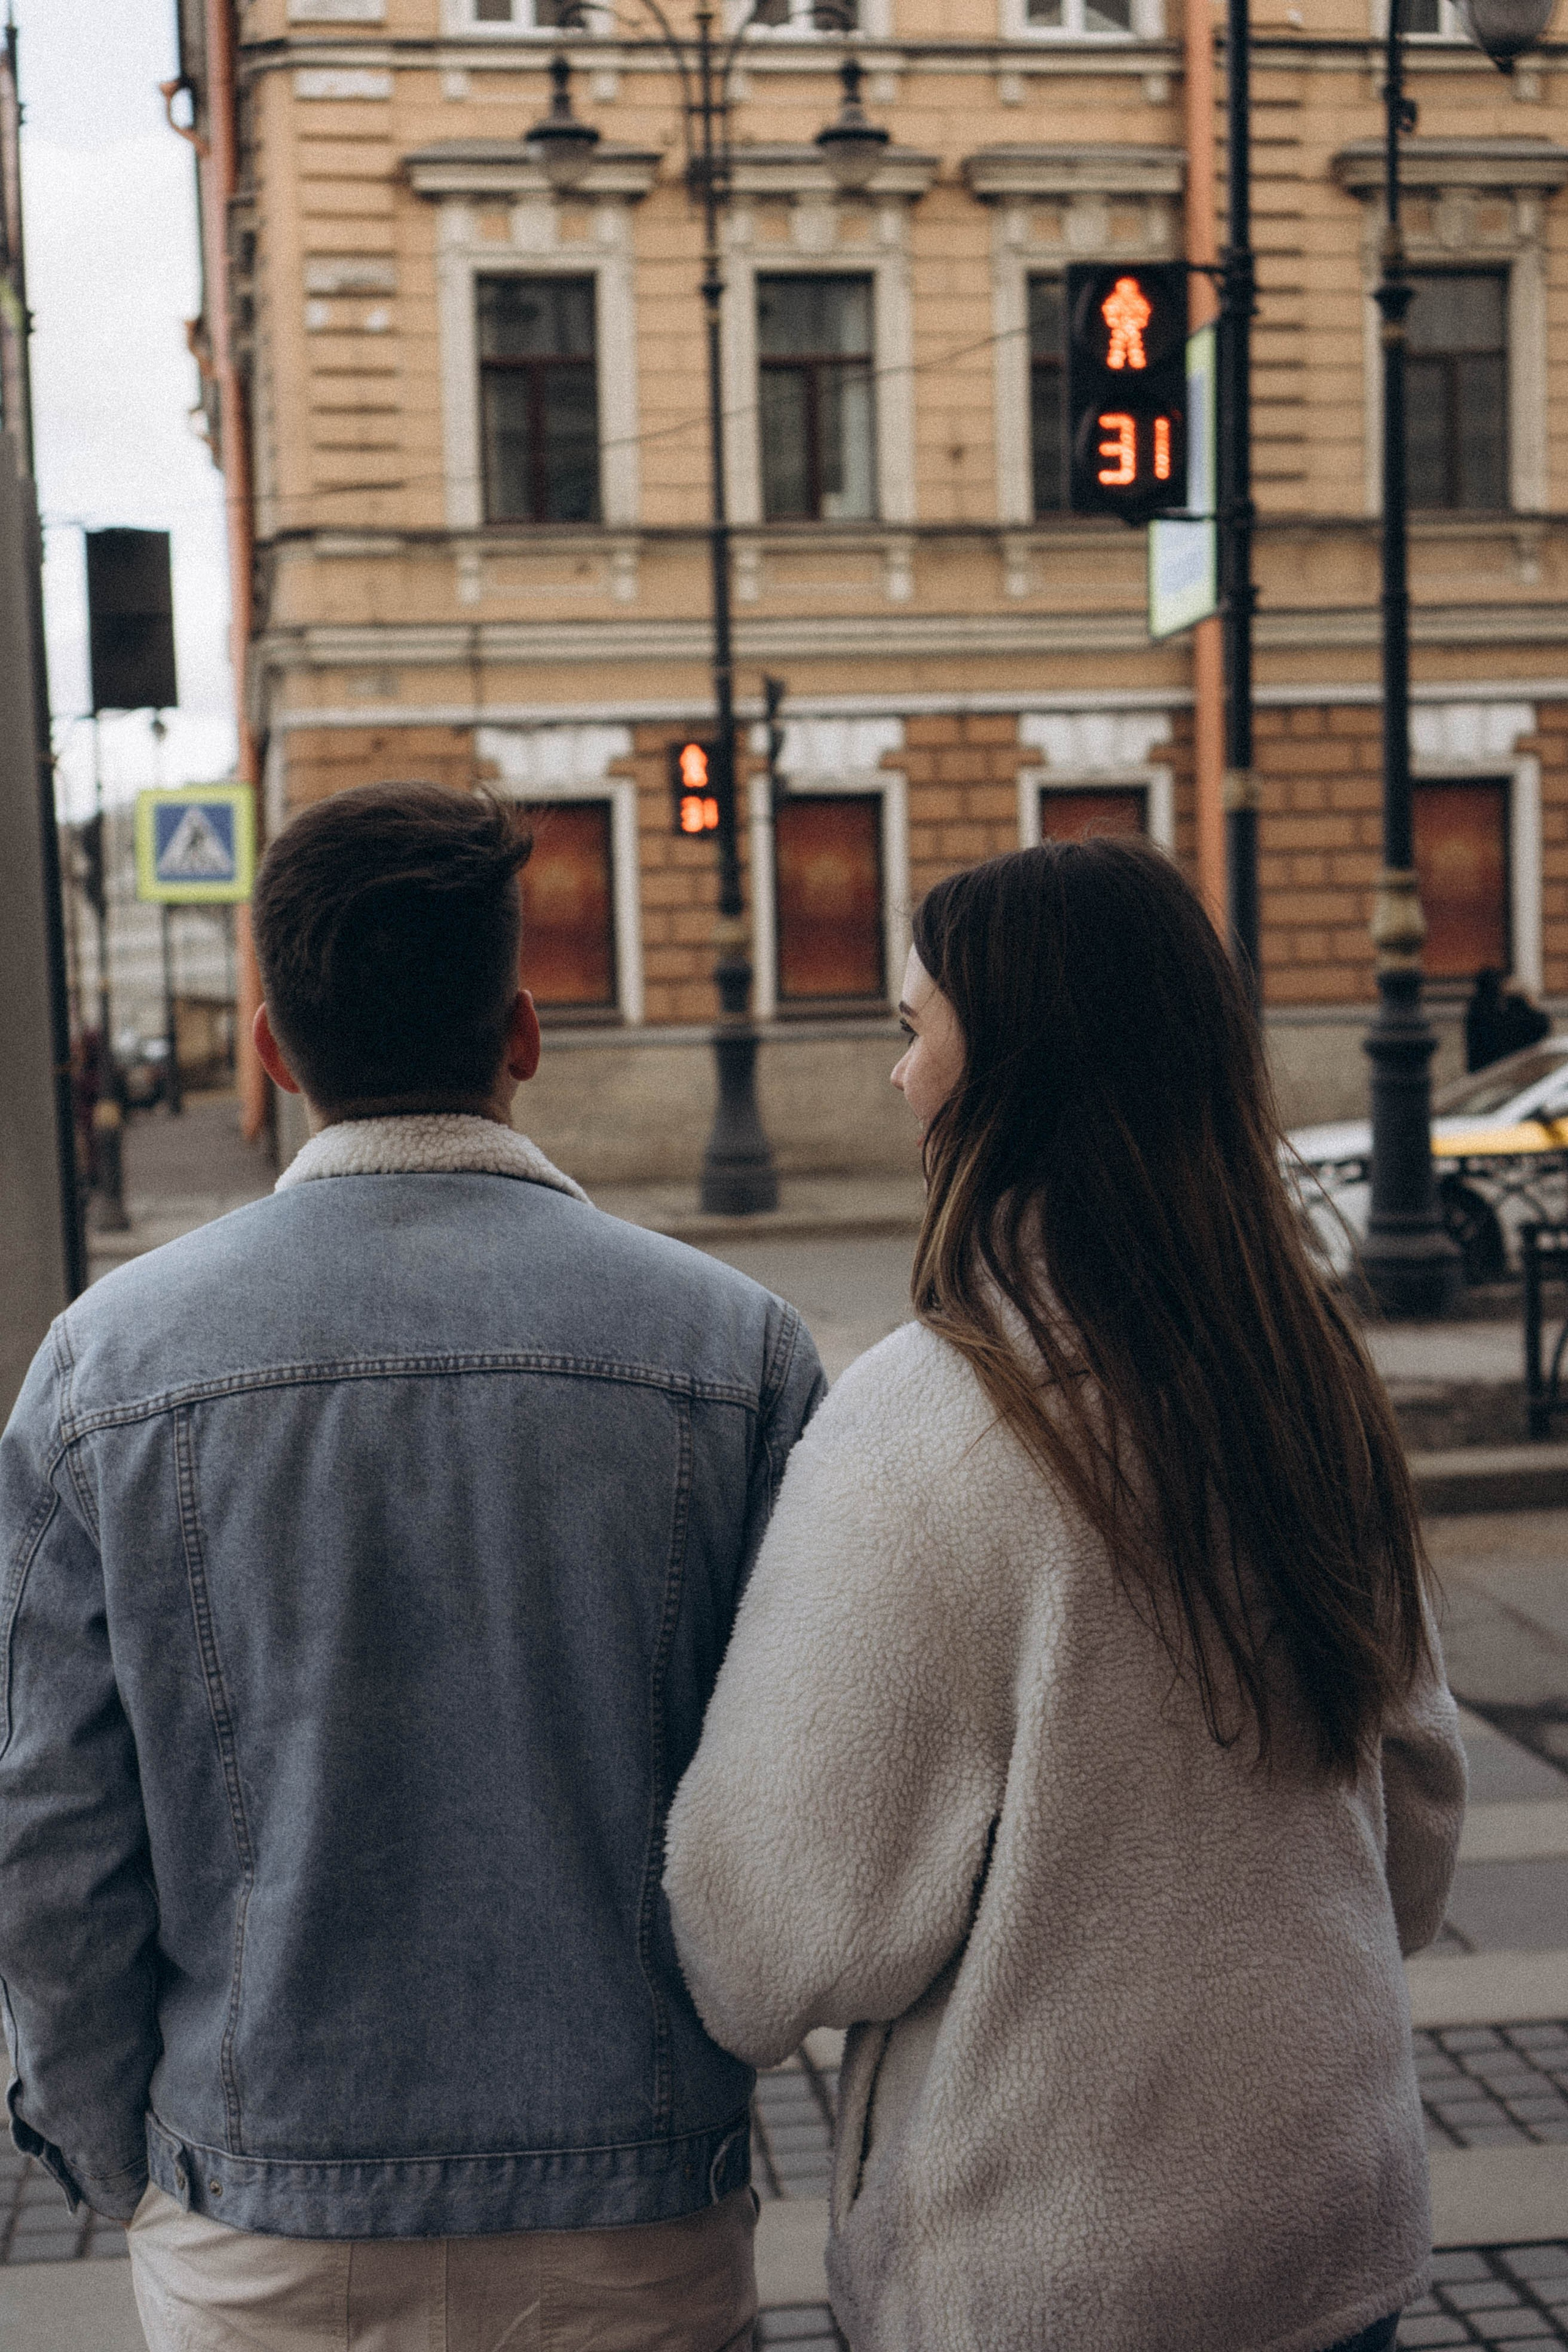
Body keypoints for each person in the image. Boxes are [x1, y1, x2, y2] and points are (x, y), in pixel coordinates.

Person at [0, 780, 823, 2352]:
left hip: (258, 2221)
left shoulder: (104, 1364)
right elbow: (801, 1804)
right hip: (629, 2215)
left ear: (269, 1046)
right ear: (522, 1029)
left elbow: (41, 1818)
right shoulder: (734, 1354)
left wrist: (125, 2154)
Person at [665, 839, 1466, 2352]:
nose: (896, 1080)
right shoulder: (1301, 1370)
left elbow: (773, 1936)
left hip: (1048, 2270)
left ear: (1010, 1069)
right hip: (1328, 2229)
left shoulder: (925, 1425)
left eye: (914, 1031)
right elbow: (1414, 1843)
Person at [1464, 965, 1551, 1073]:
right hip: (1500, 1072)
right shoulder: (1489, 1012)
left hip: (1494, 1072)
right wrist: (1527, 999)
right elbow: (1539, 1028)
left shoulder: (1481, 1008)